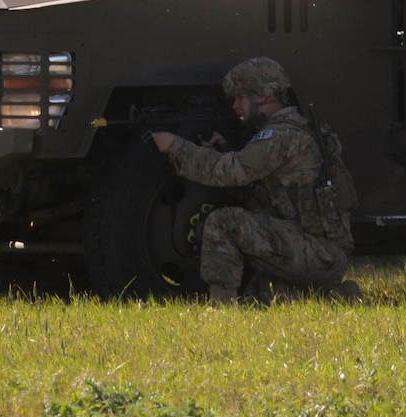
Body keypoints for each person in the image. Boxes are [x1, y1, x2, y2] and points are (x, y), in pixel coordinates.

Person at [150, 58, 360, 304]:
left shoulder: (280, 135)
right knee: (261, 297)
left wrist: (175, 147)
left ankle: (221, 308)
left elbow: (233, 171)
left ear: (266, 95)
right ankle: (337, 297)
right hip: (319, 253)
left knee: (223, 222)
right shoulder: (292, 130)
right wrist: (226, 148)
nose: (236, 106)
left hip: (317, 253)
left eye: (241, 97)